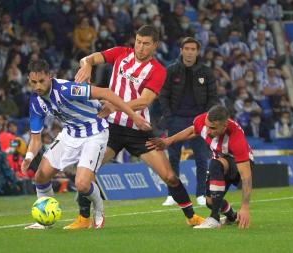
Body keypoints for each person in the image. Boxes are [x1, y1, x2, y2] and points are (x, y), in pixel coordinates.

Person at [68, 25, 205, 229]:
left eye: (146, 43)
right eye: (138, 42)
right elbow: (89, 58)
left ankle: (191, 216)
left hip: (138, 131)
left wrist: (113, 106)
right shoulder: (120, 53)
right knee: (86, 172)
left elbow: (143, 101)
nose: (140, 47)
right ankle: (84, 218)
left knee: (169, 176)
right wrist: (87, 63)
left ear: (155, 45)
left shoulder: (158, 71)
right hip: (110, 129)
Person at [22, 59, 151, 229]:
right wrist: (29, 157)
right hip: (70, 134)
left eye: (41, 81)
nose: (38, 86)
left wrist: (134, 117)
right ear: (28, 81)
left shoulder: (67, 89)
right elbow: (36, 138)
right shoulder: (36, 102)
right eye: (33, 82)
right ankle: (44, 220)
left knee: (82, 184)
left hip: (94, 132)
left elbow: (107, 93)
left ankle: (99, 208)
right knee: (41, 176)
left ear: (50, 77)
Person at [146, 105, 252, 229]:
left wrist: (245, 207)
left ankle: (214, 218)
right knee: (211, 202)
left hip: (239, 162)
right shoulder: (202, 121)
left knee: (215, 164)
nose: (207, 131)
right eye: (207, 126)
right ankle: (232, 217)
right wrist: (168, 141)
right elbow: (192, 130)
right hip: (220, 160)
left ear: (225, 126)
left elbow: (246, 177)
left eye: (213, 128)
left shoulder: (236, 138)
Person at [159, 37, 216, 206]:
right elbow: (163, 96)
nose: (190, 52)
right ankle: (172, 194)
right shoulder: (171, 71)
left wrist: (206, 119)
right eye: (187, 48)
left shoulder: (206, 72)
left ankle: (201, 193)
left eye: (193, 49)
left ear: (197, 52)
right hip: (176, 120)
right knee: (173, 158)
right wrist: (169, 118)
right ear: (181, 50)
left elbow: (213, 97)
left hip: (198, 121)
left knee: (201, 157)